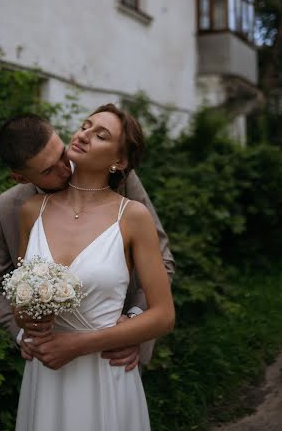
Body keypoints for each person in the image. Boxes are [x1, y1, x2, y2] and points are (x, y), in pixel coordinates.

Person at [14, 104, 175, 430]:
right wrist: (29, 323)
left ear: (120, 161)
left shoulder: (132, 217)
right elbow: (18, 302)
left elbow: (163, 315)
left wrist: (80, 344)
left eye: (101, 135)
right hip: (45, 375)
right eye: (85, 126)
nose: (85, 135)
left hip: (104, 372)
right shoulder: (31, 210)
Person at [0, 109, 175, 369]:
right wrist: (24, 333)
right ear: (21, 178)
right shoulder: (15, 208)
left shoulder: (120, 180)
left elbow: (162, 261)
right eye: (50, 170)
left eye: (62, 153)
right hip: (47, 359)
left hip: (113, 354)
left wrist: (133, 326)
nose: (66, 168)